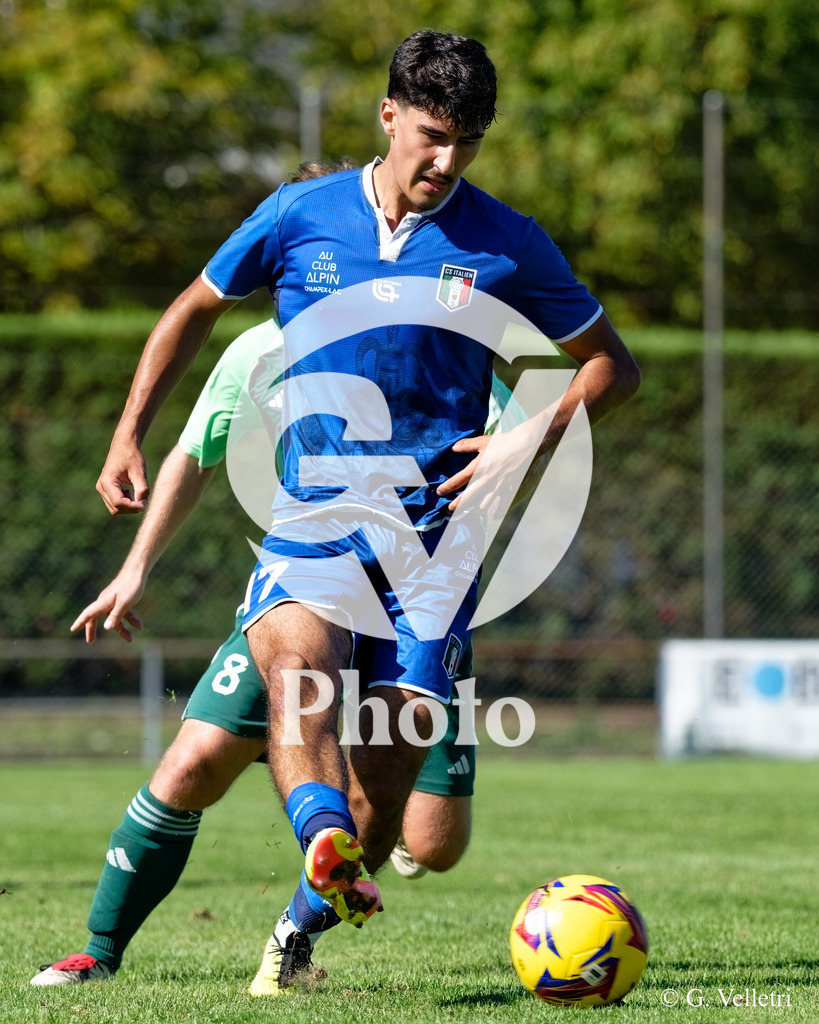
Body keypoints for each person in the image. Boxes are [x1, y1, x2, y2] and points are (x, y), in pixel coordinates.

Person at [92, 29, 640, 994]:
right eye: (431, 134)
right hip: (313, 518)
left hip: (437, 546)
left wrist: (527, 434)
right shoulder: (299, 213)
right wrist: (128, 431)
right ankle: (321, 840)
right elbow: (191, 307)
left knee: (390, 793)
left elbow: (611, 364)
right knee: (298, 675)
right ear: (387, 116)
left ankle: (301, 924)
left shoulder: (506, 241)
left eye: (466, 142)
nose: (445, 160)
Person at [30, 189, 528, 991]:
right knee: (192, 762)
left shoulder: (436, 342)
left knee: (430, 842)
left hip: (414, 592)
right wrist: (135, 568)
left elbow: (502, 444)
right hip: (304, 579)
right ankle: (99, 949)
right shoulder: (253, 353)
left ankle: (294, 935)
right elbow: (193, 457)